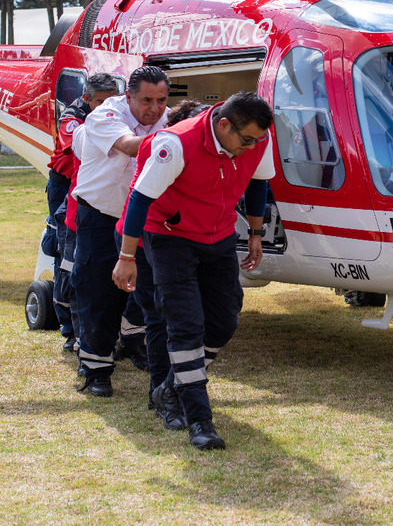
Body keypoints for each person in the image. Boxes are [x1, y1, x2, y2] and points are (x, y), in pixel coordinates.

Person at [114, 91, 275, 450]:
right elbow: (140, 197)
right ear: (223, 125)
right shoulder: (177, 143)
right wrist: (126, 256)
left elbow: (258, 182)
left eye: (258, 140)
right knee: (184, 325)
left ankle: (169, 388)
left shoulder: (258, 139)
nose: (251, 148)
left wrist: (256, 232)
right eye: (245, 140)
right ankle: (200, 421)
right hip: (170, 238)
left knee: (224, 321)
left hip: (217, 235)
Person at [72, 65, 169, 396]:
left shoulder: (168, 119)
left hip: (143, 219)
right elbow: (130, 146)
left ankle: (132, 341)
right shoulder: (104, 115)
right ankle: (96, 368)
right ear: (128, 97)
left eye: (161, 100)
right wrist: (177, 141)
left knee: (148, 292)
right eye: (146, 100)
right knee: (99, 292)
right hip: (100, 216)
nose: (154, 109)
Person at [115, 99, 212, 430]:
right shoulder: (164, 149)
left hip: (179, 242)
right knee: (159, 318)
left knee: (189, 319)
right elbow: (150, 205)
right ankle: (161, 395)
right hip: (144, 240)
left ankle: (174, 389)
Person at [45, 73, 120, 351]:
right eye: (99, 102)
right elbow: (76, 145)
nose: (105, 107)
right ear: (87, 99)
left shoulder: (115, 116)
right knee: (65, 252)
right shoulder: (74, 118)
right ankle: (69, 328)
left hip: (89, 185)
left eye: (111, 101)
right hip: (65, 184)